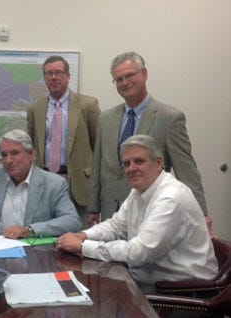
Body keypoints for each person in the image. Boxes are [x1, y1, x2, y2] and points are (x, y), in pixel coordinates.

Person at [58, 134, 218, 287]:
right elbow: (116, 226)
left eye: (139, 161)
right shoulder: (140, 190)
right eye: (127, 164)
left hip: (185, 291)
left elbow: (138, 253)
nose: (131, 168)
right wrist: (84, 235)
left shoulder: (171, 197)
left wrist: (83, 246)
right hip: (150, 281)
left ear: (159, 163)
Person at [87, 51, 214, 237]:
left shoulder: (169, 118)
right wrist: (93, 207)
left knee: (143, 261)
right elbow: (98, 164)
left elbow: (187, 171)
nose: (125, 82)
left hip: (151, 210)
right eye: (118, 79)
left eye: (130, 75)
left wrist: (201, 214)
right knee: (109, 263)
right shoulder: (105, 118)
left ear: (144, 74)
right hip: (110, 212)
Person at [0, 129, 81, 238]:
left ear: (31, 154)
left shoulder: (54, 183)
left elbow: (72, 221)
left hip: (36, 253)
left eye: (14, 153)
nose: (8, 160)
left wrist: (30, 230)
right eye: (4, 155)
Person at [27, 55, 100, 227]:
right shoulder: (34, 109)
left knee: (79, 235)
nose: (54, 77)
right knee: (44, 232)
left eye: (59, 73)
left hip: (78, 184)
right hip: (45, 180)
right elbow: (30, 148)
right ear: (44, 78)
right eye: (49, 73)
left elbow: (99, 147)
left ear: (68, 76)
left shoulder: (88, 105)